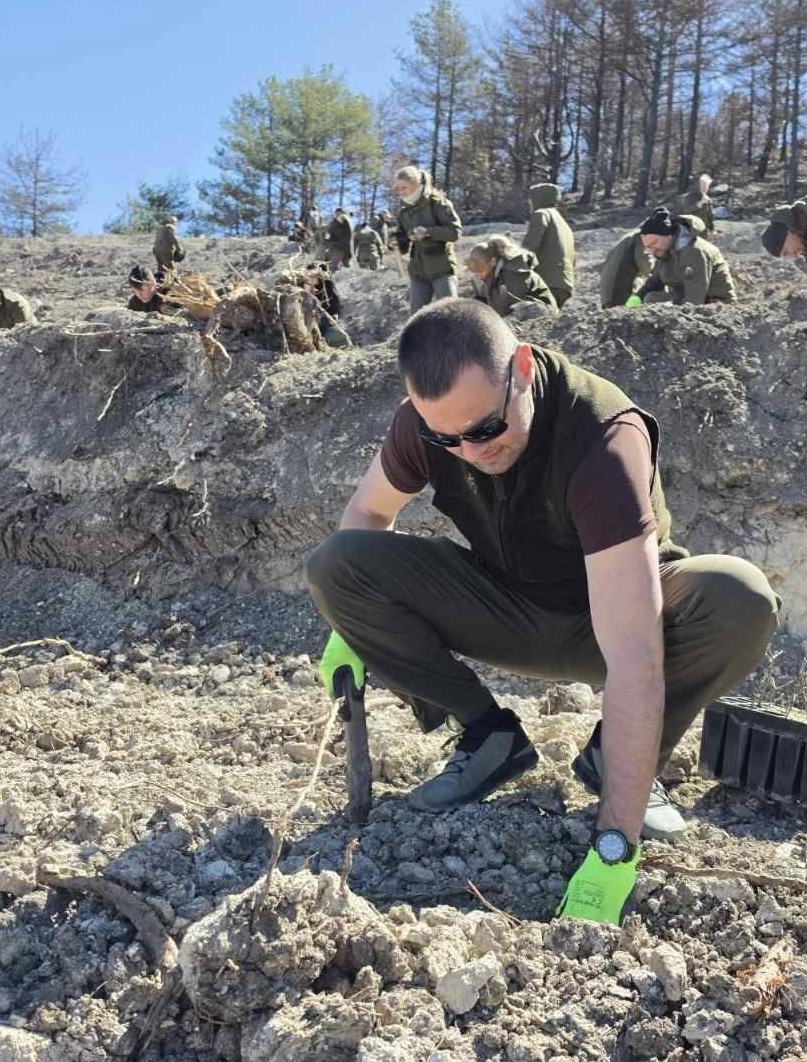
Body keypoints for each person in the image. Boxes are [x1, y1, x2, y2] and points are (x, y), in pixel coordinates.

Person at [306, 301, 780, 920]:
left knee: (739, 596)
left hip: (614, 617)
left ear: (523, 369)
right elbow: (369, 513)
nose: (469, 450)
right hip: (505, 606)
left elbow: (634, 655)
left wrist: (614, 847)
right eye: (447, 439)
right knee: (337, 563)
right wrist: (349, 625)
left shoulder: (603, 441)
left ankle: (622, 765)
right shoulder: (432, 424)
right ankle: (488, 739)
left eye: (484, 429)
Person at [393, 165, 463, 311]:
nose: (401, 192)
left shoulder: (438, 203)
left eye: (404, 187)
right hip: (418, 273)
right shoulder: (403, 212)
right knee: (416, 318)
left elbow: (455, 232)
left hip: (442, 269)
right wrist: (395, 243)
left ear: (416, 184)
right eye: (398, 189)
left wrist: (428, 232)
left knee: (451, 314)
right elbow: (403, 244)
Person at [637, 208, 737, 305]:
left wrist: (678, 313)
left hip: (716, 303)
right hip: (689, 295)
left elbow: (695, 296)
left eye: (654, 243)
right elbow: (654, 282)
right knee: (652, 298)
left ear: (669, 236)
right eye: (648, 246)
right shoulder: (664, 252)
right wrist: (637, 298)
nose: (652, 250)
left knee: (653, 300)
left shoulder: (694, 252)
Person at [464, 236, 557, 319]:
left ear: (492, 261)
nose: (477, 274)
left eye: (479, 268)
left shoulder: (513, 274)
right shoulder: (488, 274)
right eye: (474, 269)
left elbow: (512, 308)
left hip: (541, 311)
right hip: (514, 310)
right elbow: (483, 303)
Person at [522, 182, 576, 308]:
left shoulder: (541, 214)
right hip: (564, 285)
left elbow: (530, 245)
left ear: (538, 198)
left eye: (532, 199)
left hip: (546, 281)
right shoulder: (564, 224)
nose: (530, 203)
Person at [598, 228, 655, 309]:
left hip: (607, 297)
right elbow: (645, 263)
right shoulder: (640, 237)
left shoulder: (627, 238)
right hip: (621, 295)